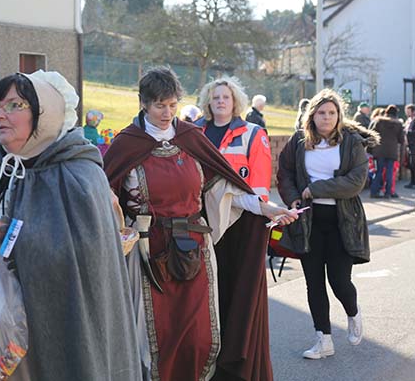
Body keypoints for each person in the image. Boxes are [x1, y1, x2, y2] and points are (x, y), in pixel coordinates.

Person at [104, 66, 296, 381]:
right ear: (143, 103)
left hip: (195, 248)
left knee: (200, 337)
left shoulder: (191, 137)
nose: (167, 113)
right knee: (155, 338)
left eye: (172, 105)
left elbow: (227, 190)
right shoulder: (127, 144)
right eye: (159, 106)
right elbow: (105, 198)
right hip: (148, 254)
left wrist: (267, 209)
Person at [0, 71, 141, 380]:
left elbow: (84, 254)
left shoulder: (78, 176)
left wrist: (6, 233)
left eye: (14, 105)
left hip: (51, 329)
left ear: (46, 113)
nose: (0, 115)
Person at [277, 89, 378, 359]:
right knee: (314, 283)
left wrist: (316, 189)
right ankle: (323, 340)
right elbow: (285, 171)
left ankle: (353, 312)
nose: (327, 117)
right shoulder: (299, 141)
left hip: (342, 222)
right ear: (312, 115)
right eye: (321, 112)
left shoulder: (351, 142)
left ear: (339, 115)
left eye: (332, 112)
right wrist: (293, 198)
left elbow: (356, 182)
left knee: (339, 280)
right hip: (308, 222)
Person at [195, 77, 272, 201]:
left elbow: (260, 180)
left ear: (235, 102)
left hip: (237, 208)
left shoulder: (253, 134)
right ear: (208, 102)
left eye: (226, 97)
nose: (221, 101)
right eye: (215, 98)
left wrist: (259, 207)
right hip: (199, 206)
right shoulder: (195, 132)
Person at [369, 104, 403, 199]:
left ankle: (374, 191)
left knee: (379, 171)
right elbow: (401, 139)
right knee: (389, 172)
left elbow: (372, 134)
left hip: (379, 150)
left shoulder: (379, 121)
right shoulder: (398, 124)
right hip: (392, 151)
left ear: (386, 112)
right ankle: (388, 192)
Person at [405, 104, 415, 188]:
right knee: (411, 165)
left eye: (409, 111)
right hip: (409, 146)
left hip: (413, 144)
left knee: (413, 164)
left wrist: (408, 133)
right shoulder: (408, 120)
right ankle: (412, 182)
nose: (407, 113)